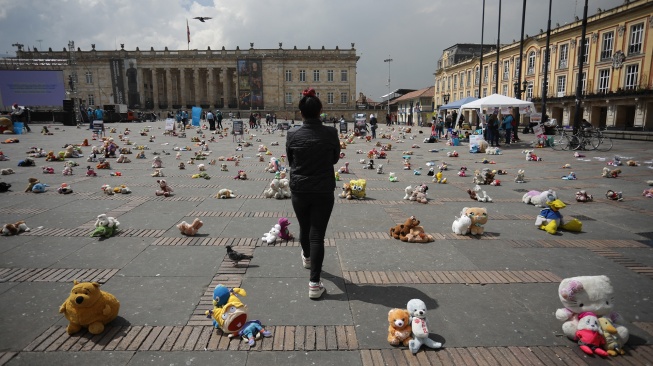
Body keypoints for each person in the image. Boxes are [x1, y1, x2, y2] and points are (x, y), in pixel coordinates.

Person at [286, 88, 340, 300]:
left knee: (304, 227)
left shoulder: (292, 134)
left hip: (299, 188)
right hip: (323, 189)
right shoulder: (331, 133)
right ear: (321, 112)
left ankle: (308, 258)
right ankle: (314, 284)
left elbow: (291, 161)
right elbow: (335, 159)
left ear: (301, 113)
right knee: (317, 234)